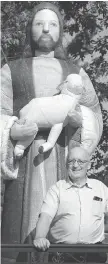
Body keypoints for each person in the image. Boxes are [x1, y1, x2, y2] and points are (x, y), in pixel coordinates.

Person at [1, 2, 103, 263]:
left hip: (62, 157)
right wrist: (12, 130)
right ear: (29, 29)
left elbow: (94, 116)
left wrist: (80, 120)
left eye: (53, 24)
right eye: (39, 23)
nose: (46, 29)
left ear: (60, 32)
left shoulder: (76, 73)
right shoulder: (10, 70)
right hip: (24, 164)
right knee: (17, 237)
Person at [33, 147, 108, 263]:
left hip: (95, 255)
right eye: (71, 161)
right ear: (66, 165)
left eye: (80, 161)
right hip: (63, 254)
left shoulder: (101, 188)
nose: (75, 165)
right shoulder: (57, 189)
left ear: (88, 165)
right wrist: (40, 237)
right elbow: (46, 217)